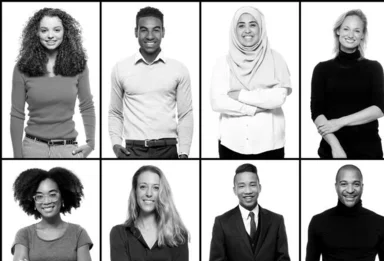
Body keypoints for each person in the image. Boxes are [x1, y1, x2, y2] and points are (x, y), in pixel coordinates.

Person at [108, 7, 193, 159]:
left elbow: (185, 114)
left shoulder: (178, 69)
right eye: (144, 30)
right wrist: (115, 144)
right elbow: (115, 112)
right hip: (133, 149)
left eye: (156, 30)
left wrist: (184, 152)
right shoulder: (120, 69)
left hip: (168, 148)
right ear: (136, 32)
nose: (150, 36)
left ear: (163, 32)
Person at [10, 8, 96, 158]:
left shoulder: (79, 66)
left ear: (65, 32)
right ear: (36, 33)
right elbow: (17, 114)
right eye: (44, 30)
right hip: (32, 148)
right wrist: (17, 156)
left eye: (57, 30)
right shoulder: (22, 68)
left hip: (68, 149)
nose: (50, 35)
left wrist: (91, 144)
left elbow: (87, 106)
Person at [210, 6, 292, 159]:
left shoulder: (276, 59)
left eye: (252, 24)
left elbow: (278, 97)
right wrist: (255, 108)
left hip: (271, 144)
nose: (247, 30)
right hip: (231, 144)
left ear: (261, 28)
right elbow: (218, 102)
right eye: (241, 25)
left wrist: (239, 94)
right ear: (235, 31)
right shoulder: (223, 63)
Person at [209, 163, 290, 261]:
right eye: (241, 186)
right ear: (234, 190)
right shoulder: (222, 222)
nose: (247, 191)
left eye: (252, 185)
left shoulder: (276, 220)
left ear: (259, 187)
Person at [110, 165, 190, 261]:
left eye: (155, 188)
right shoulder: (119, 233)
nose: (148, 193)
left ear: (162, 192)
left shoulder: (178, 234)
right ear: (135, 191)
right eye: (142, 187)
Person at [12, 167, 92, 261]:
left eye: (52, 194)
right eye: (39, 196)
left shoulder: (78, 233)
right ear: (33, 201)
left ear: (63, 197)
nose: (46, 201)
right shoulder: (24, 235)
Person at [310, 9, 384, 159]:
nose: (351, 35)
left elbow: (379, 108)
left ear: (363, 35)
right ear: (338, 31)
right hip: (331, 149)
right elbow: (317, 112)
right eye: (346, 29)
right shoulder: (322, 69)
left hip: (369, 149)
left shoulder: (374, 68)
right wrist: (336, 147)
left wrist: (339, 122)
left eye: (357, 31)